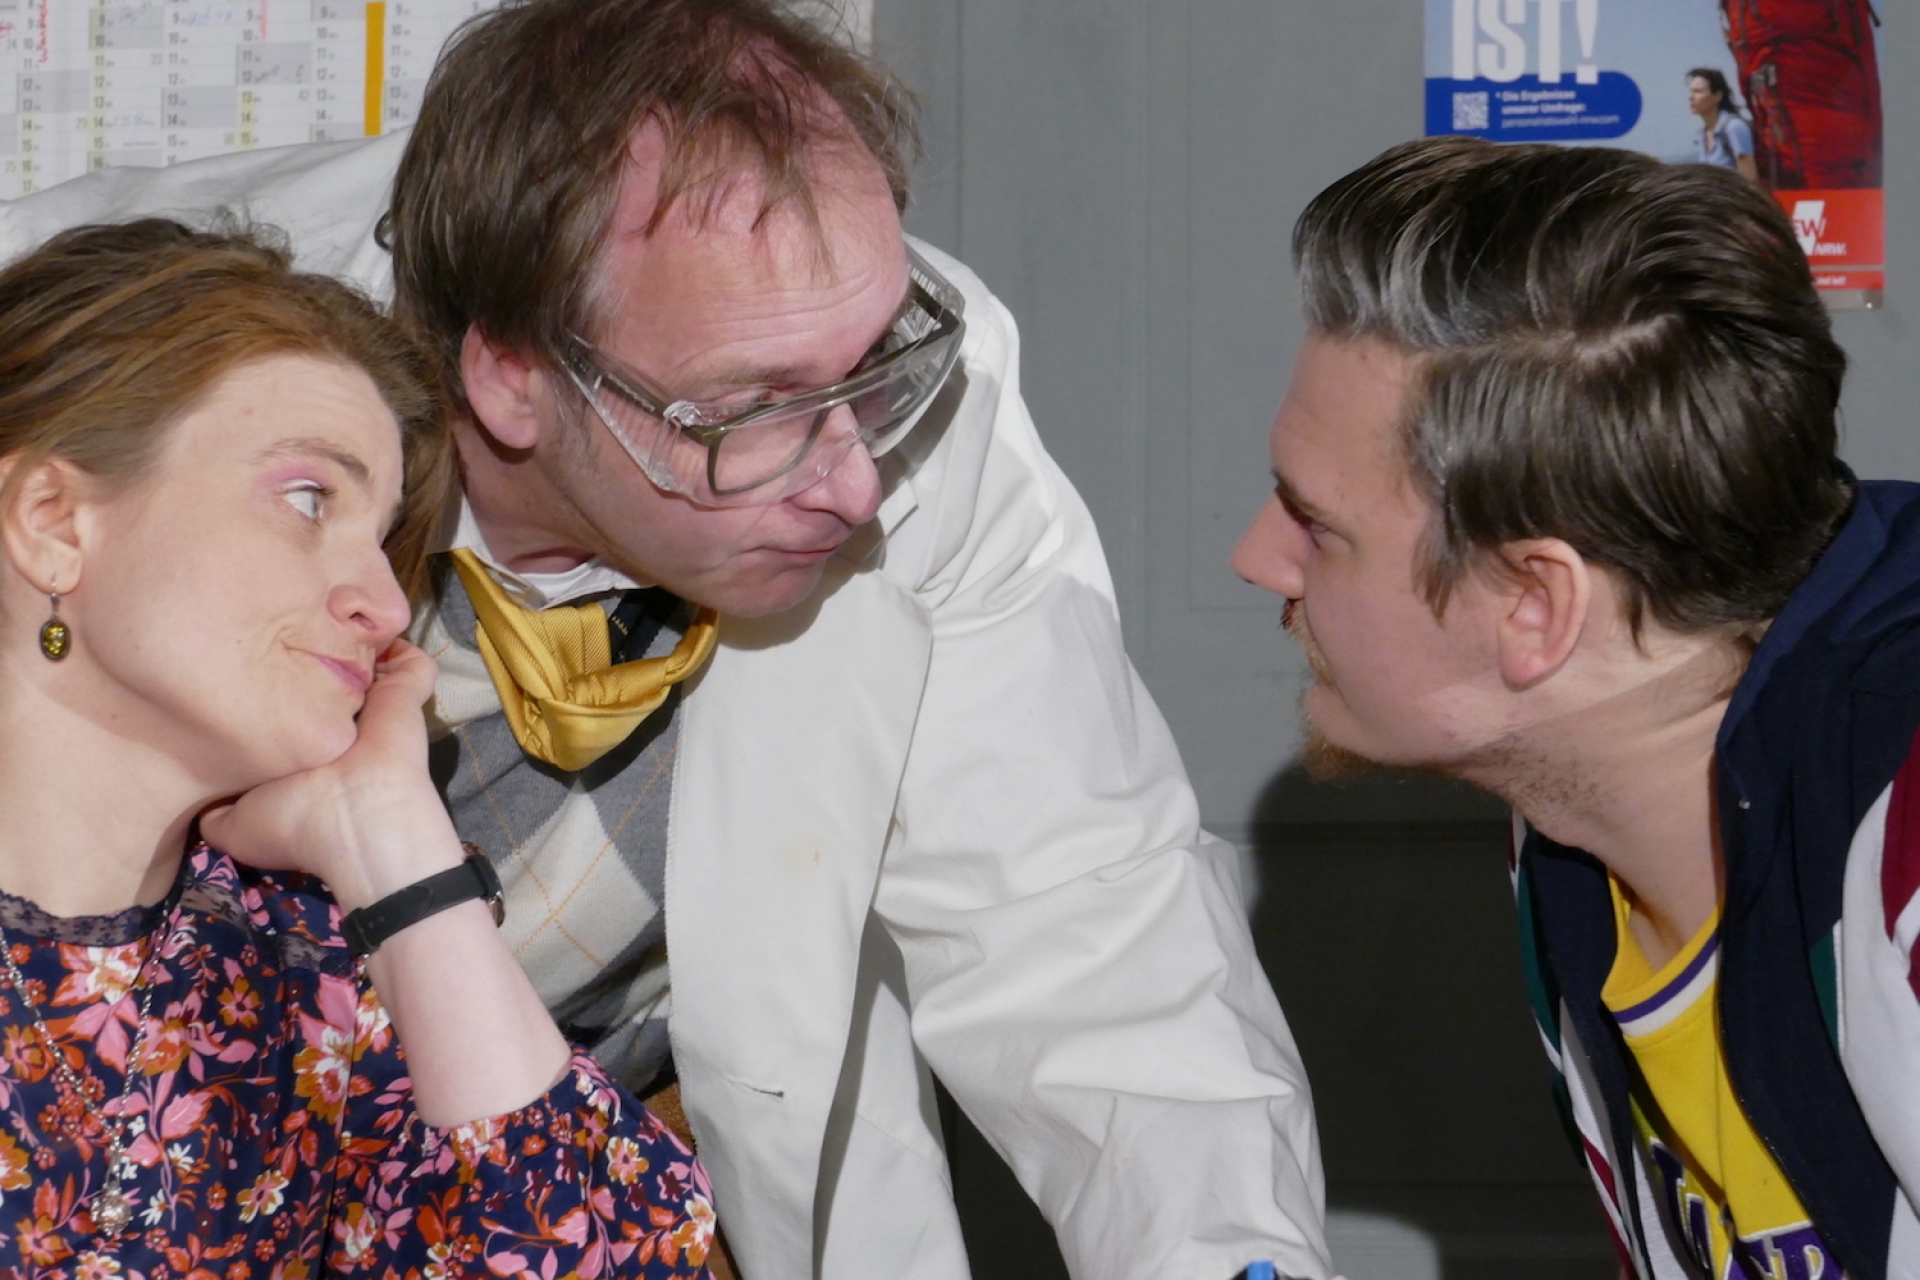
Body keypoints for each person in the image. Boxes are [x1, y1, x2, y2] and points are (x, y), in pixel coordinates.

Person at [0, 2, 1332, 1277]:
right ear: (511, 373)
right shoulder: (158, 357)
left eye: (876, 363)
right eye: (750, 411)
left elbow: (1089, 929)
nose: (857, 482)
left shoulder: (885, 393)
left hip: (554, 1166)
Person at [1232, 135, 1919, 1278]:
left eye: (1316, 522)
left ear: (1537, 605)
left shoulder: (1899, 832)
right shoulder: (1572, 827)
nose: (1259, 558)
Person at [0, 220, 715, 1272]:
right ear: (54, 521)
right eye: (307, 499)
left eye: (383, 540)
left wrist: (400, 856)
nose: (383, 602)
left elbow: (617, 1257)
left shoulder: (303, 966)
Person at [1687, 66, 1759, 182]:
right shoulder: (1703, 134)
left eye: (1698, 91)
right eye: (1691, 91)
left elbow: (1750, 181)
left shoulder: (1734, 127)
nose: (1691, 97)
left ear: (1717, 96)